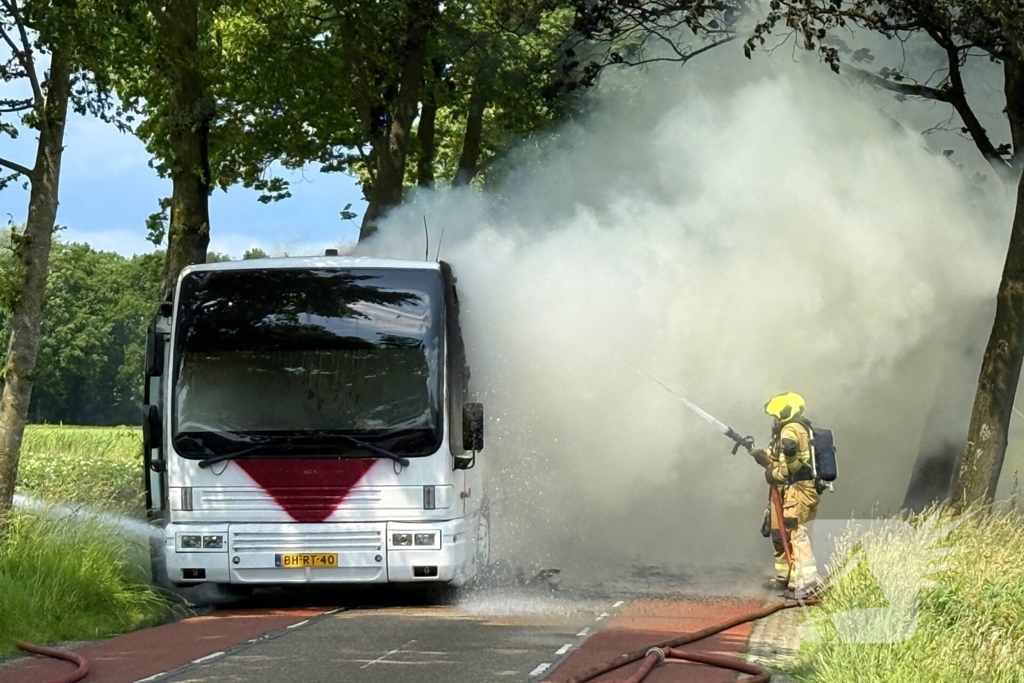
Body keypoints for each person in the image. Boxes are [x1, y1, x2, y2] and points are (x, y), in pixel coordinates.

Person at [749, 392, 821, 598]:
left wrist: (776, 473)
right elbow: (779, 456)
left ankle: (806, 585)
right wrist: (761, 456)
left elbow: (790, 457)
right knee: (780, 534)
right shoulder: (787, 430)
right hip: (786, 489)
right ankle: (786, 578)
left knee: (797, 534)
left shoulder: (791, 429)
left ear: (786, 412)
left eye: (776, 415)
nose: (775, 420)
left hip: (798, 489)